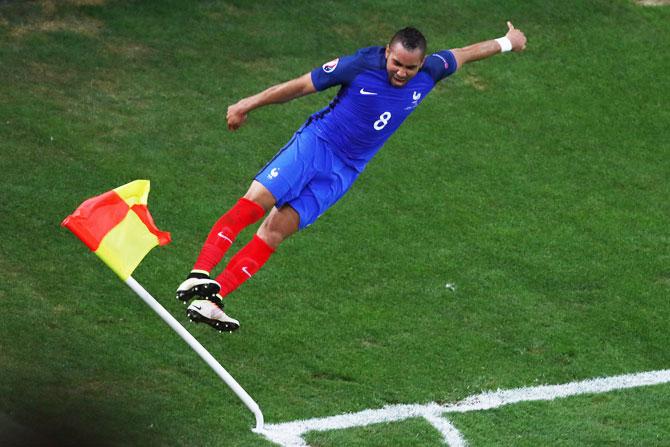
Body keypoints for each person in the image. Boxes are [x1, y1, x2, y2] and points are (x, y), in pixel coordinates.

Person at [177, 22, 527, 332]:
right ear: (387, 52)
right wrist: (245, 105)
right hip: (316, 145)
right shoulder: (360, 65)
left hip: (345, 170)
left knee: (276, 231)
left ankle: (211, 301)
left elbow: (467, 53)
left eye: (411, 67)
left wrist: (509, 41)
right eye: (397, 63)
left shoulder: (433, 70)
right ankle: (199, 273)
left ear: (422, 63)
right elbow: (300, 86)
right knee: (256, 203)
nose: (402, 73)